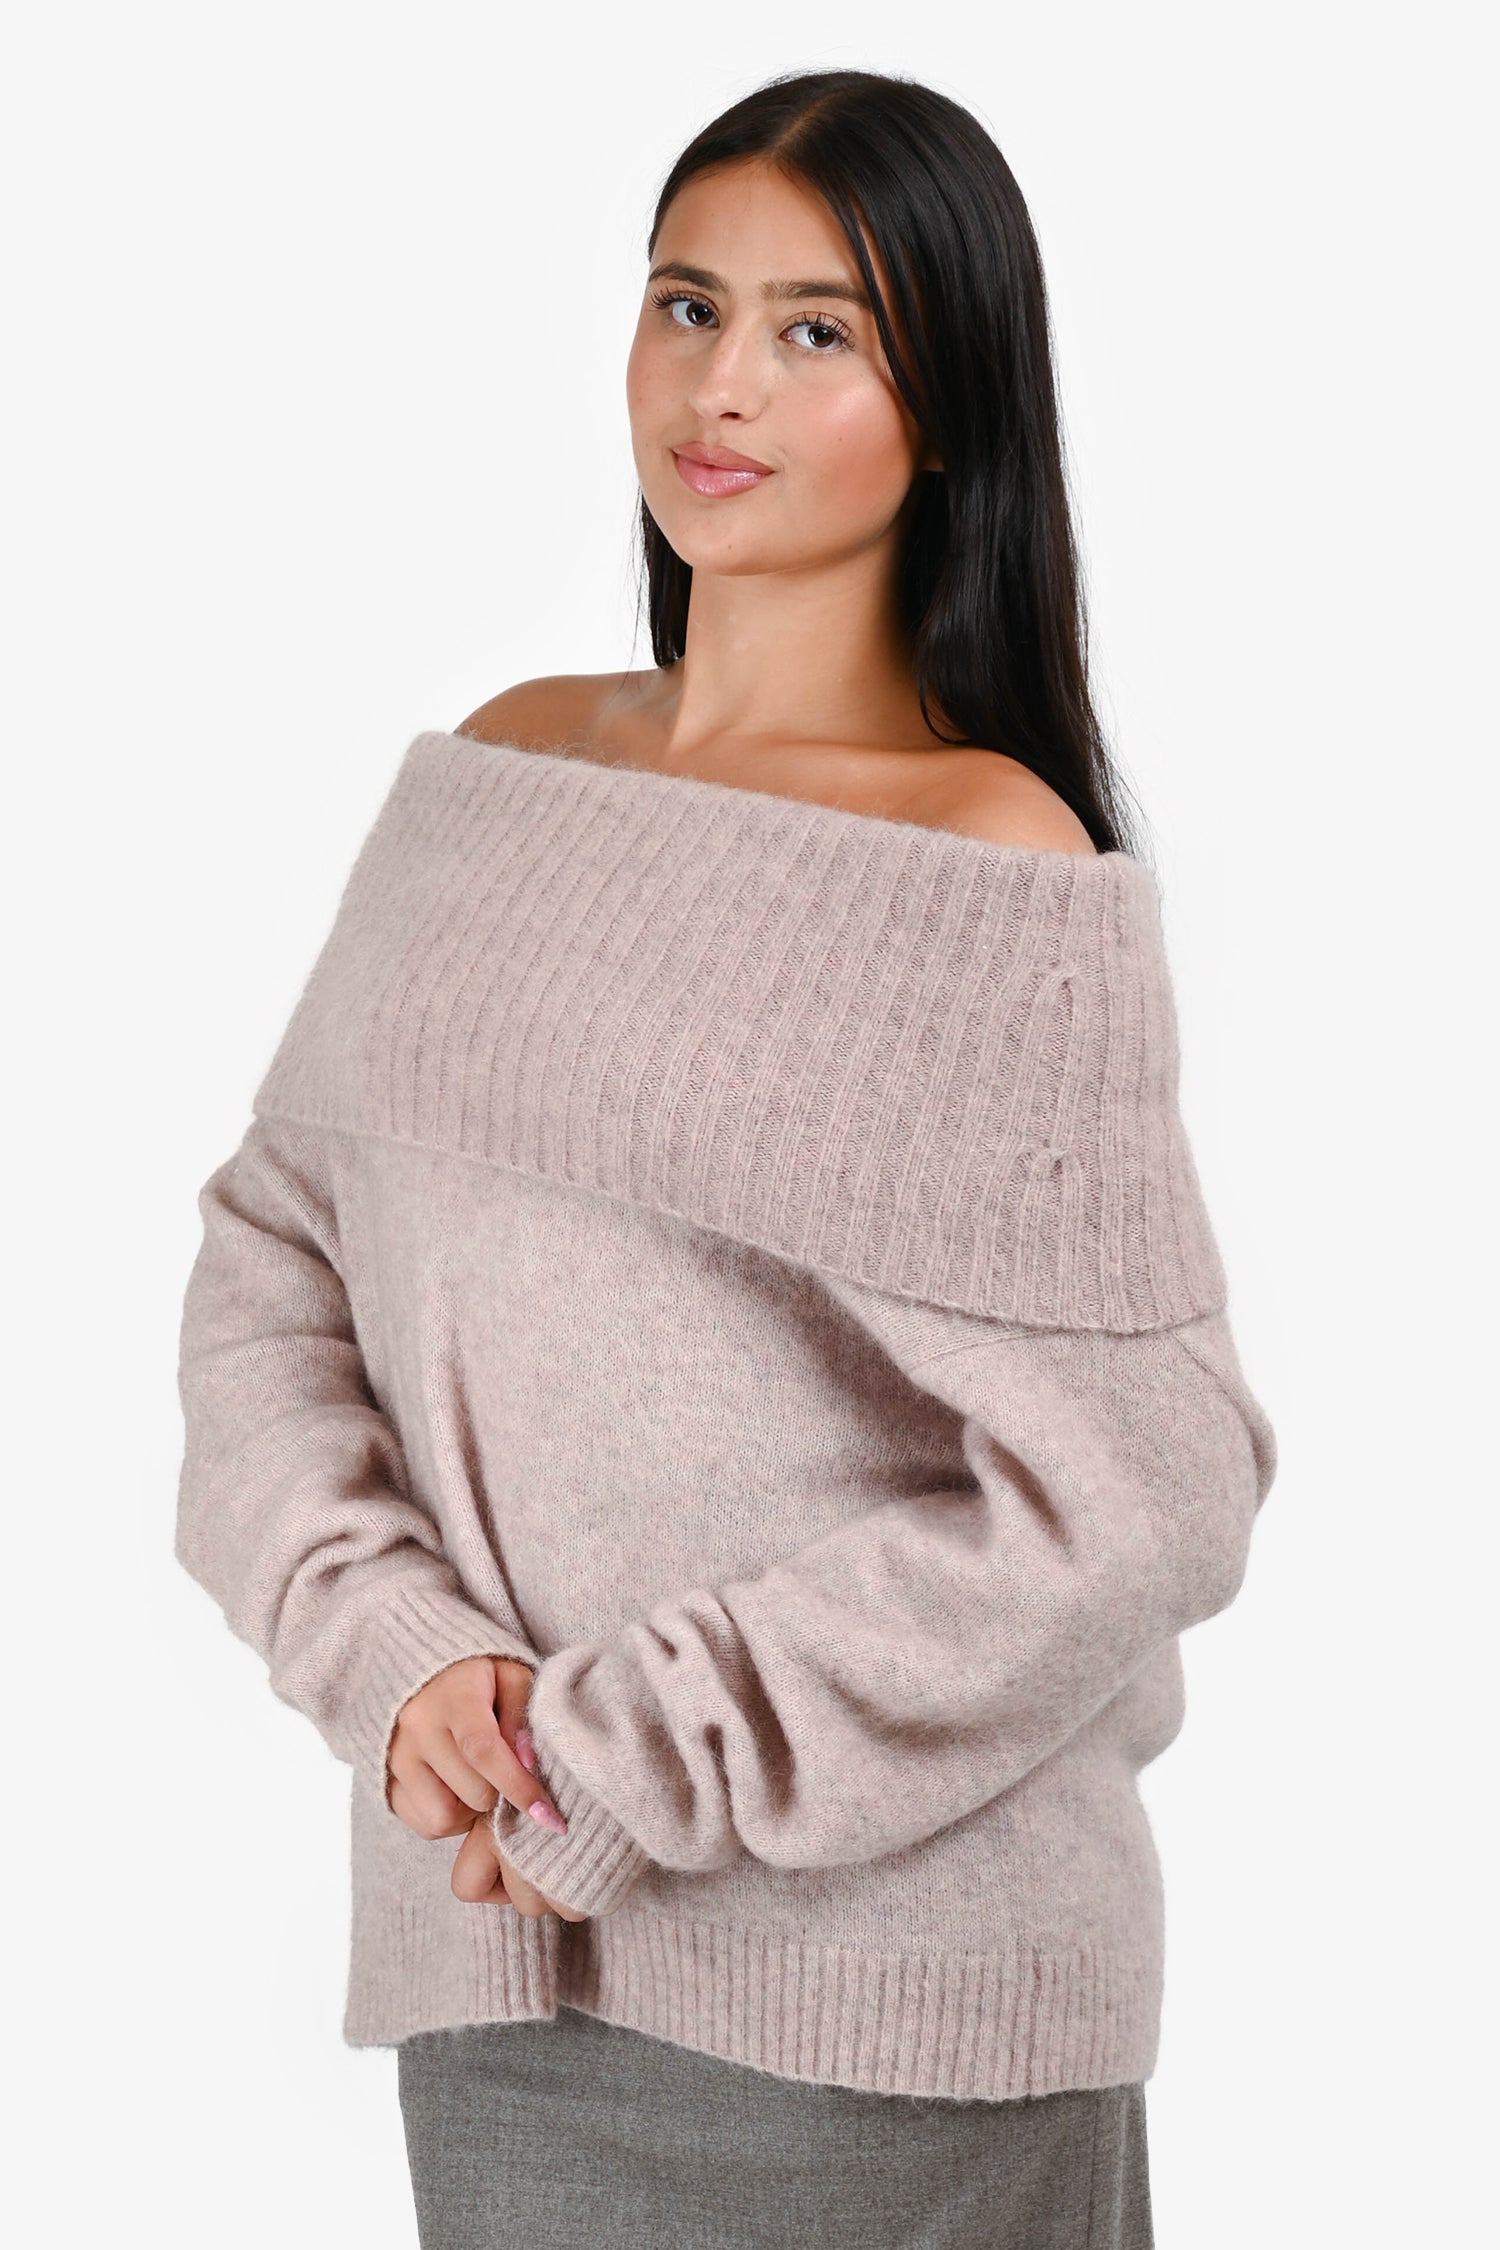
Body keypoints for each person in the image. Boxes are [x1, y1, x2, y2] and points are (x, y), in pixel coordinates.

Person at [174, 66, 1278, 2250]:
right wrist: (398, 1653)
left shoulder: (988, 860)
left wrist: (624, 1748)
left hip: (890, 2020)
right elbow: (271, 1260)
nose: (723, 387)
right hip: (499, 1963)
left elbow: (1145, 1486)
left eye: (817, 330)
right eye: (688, 305)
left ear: (948, 410)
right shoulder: (498, 771)